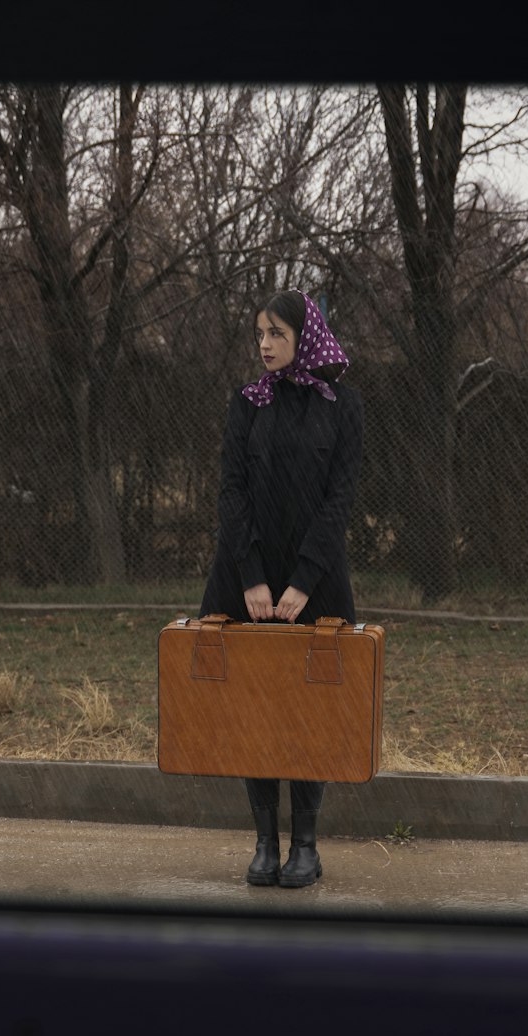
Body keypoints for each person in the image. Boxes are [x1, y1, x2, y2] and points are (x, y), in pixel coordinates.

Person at [199, 288, 364, 889]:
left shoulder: (342, 405)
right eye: (259, 335)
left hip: (313, 587)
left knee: (310, 712)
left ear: (304, 336)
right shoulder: (247, 404)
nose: (265, 346)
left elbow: (339, 500)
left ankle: (307, 845)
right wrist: (253, 579)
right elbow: (231, 493)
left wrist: (301, 582)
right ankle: (266, 841)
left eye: (276, 334)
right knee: (255, 710)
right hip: (247, 584)